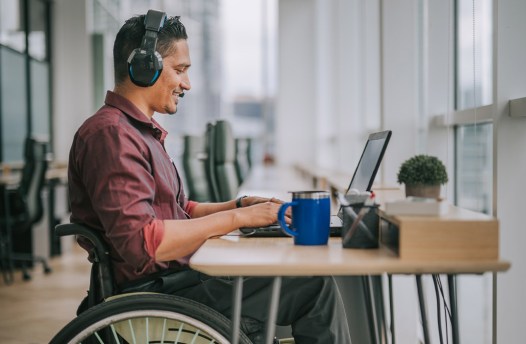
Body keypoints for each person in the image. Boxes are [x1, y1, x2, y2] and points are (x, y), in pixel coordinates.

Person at [67, 12, 351, 344]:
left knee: (302, 277)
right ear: (144, 67)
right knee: (313, 286)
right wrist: (237, 217)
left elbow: (179, 209)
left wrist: (241, 205)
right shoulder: (111, 135)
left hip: (177, 279)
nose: (186, 84)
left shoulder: (135, 132)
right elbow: (142, 243)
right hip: (158, 293)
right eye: (180, 70)